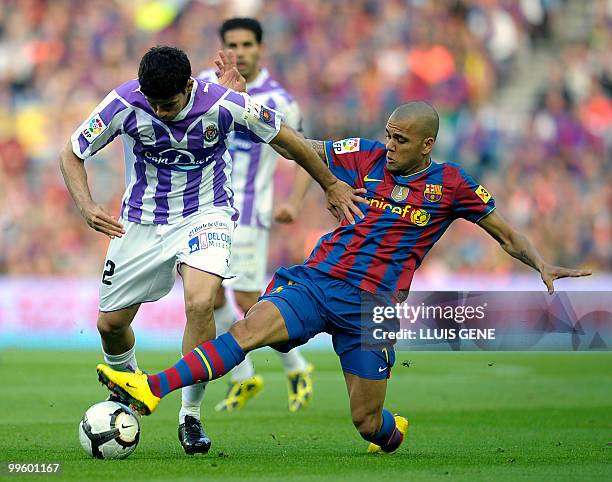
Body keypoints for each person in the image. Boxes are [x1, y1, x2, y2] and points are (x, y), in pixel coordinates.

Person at [95, 101, 591, 454]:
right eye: (389, 132)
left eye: (400, 137)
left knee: (367, 422)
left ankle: (391, 433)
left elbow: (504, 234)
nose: (390, 143)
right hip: (317, 282)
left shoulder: (453, 185)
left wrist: (541, 264)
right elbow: (300, 147)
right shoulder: (366, 154)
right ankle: (151, 387)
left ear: (427, 143)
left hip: (373, 309)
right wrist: (240, 112)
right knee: (245, 332)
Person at [59, 45, 365, 455]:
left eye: (168, 105)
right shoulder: (123, 102)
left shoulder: (223, 105)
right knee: (109, 325)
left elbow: (288, 140)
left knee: (201, 303)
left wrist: (330, 183)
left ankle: (190, 414)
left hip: (206, 214)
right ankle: (126, 386)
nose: (162, 113)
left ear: (189, 85)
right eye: (154, 105)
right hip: (141, 221)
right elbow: (71, 153)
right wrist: (87, 206)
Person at [198, 18, 315, 414]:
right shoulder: (200, 85)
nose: (241, 51)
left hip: (248, 215)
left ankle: (296, 365)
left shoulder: (280, 100)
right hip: (204, 211)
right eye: (233, 44)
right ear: (222, 47)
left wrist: (295, 202)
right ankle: (245, 374)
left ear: (260, 48)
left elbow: (303, 152)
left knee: (248, 298)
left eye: (247, 44)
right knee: (207, 294)